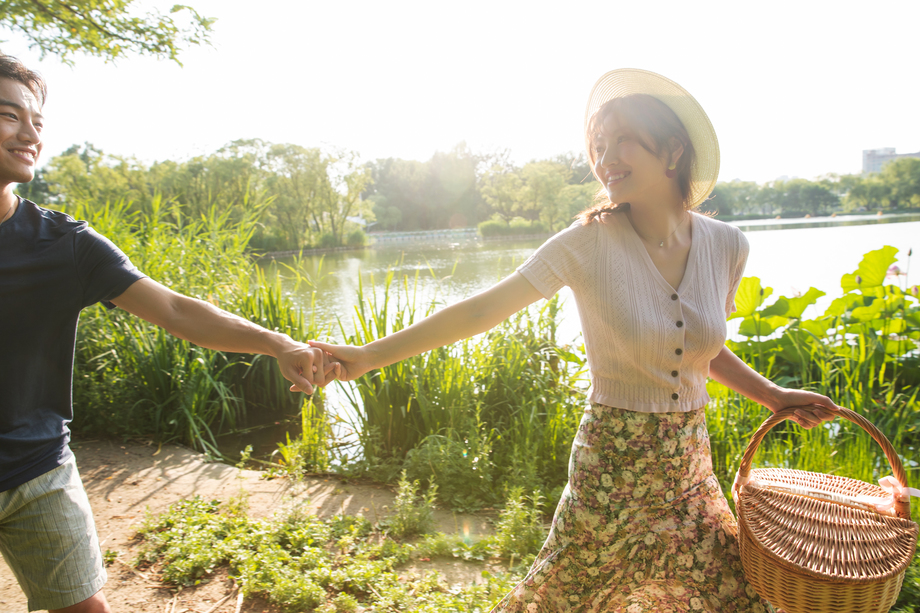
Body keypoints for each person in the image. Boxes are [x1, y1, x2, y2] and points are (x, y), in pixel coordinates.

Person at [311, 69, 837, 612]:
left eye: (623, 141)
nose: (606, 157)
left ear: (673, 151)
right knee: (567, 599)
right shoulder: (586, 243)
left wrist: (773, 395)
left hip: (689, 468)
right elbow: (481, 310)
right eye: (598, 145)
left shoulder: (728, 246)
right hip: (611, 469)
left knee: (737, 595)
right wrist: (368, 356)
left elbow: (700, 349)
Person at [0, 55, 335, 613]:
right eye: (10, 116)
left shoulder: (66, 245)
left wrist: (278, 343)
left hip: (39, 473)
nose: (32, 133)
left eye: (38, 120)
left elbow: (177, 310)